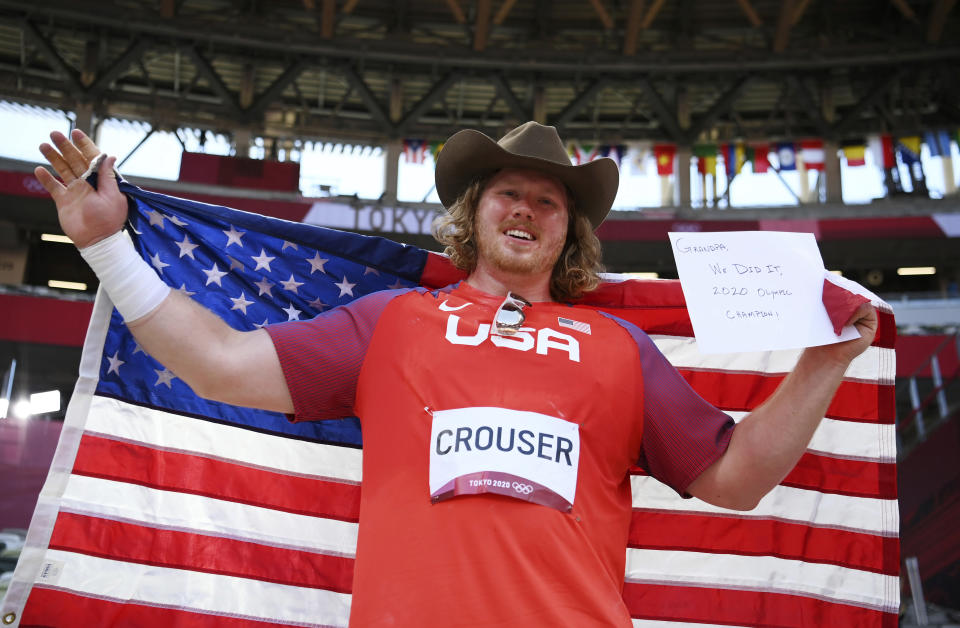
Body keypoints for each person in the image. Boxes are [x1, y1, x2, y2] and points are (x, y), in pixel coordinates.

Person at [35, 121, 877, 626]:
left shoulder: (620, 347)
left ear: (568, 234)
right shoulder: (392, 322)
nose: (525, 209)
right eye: (507, 192)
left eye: (548, 202)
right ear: (472, 217)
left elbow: (735, 479)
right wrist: (107, 243)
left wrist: (826, 361)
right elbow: (217, 362)